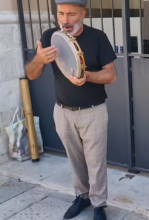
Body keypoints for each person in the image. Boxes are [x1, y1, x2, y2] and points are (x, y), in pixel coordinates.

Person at [24, 0, 117, 219]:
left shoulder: (97, 38)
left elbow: (111, 75)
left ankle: (98, 205)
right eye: (61, 13)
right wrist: (38, 59)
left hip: (93, 111)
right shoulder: (49, 37)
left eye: (72, 14)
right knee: (75, 160)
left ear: (83, 14)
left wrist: (87, 76)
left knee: (95, 162)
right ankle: (82, 196)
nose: (65, 20)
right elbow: (31, 74)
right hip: (63, 112)